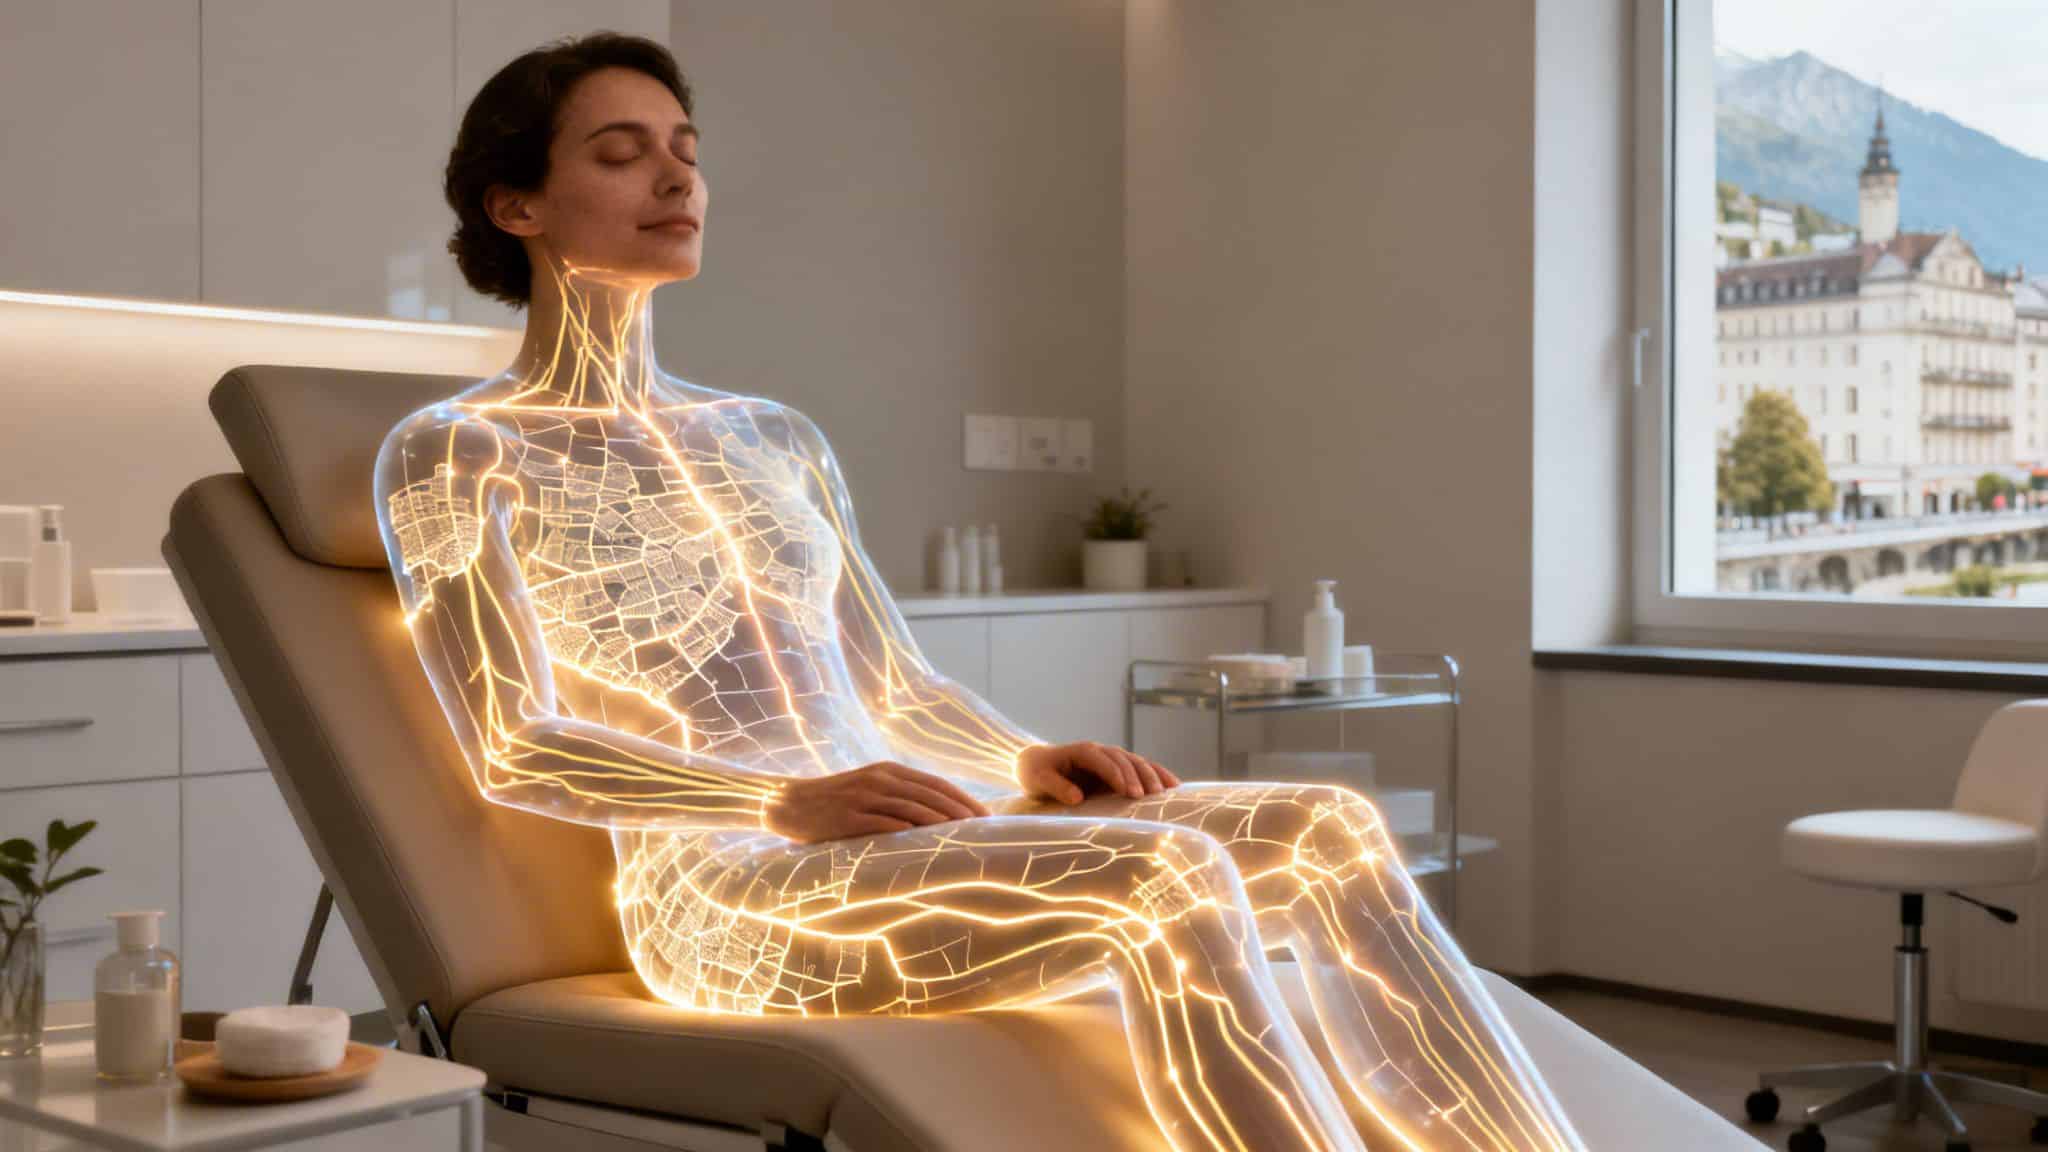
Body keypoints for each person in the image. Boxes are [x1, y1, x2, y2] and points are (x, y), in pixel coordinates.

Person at [375, 32, 1582, 1152]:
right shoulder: (458, 451)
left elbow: (894, 682)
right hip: (724, 895)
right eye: (621, 153)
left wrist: (1022, 758)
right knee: (1163, 874)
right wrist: (778, 799)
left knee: (1327, 830)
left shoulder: (773, 438)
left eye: (687, 152)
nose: (676, 179)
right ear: (515, 204)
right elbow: (511, 747)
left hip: (906, 841)